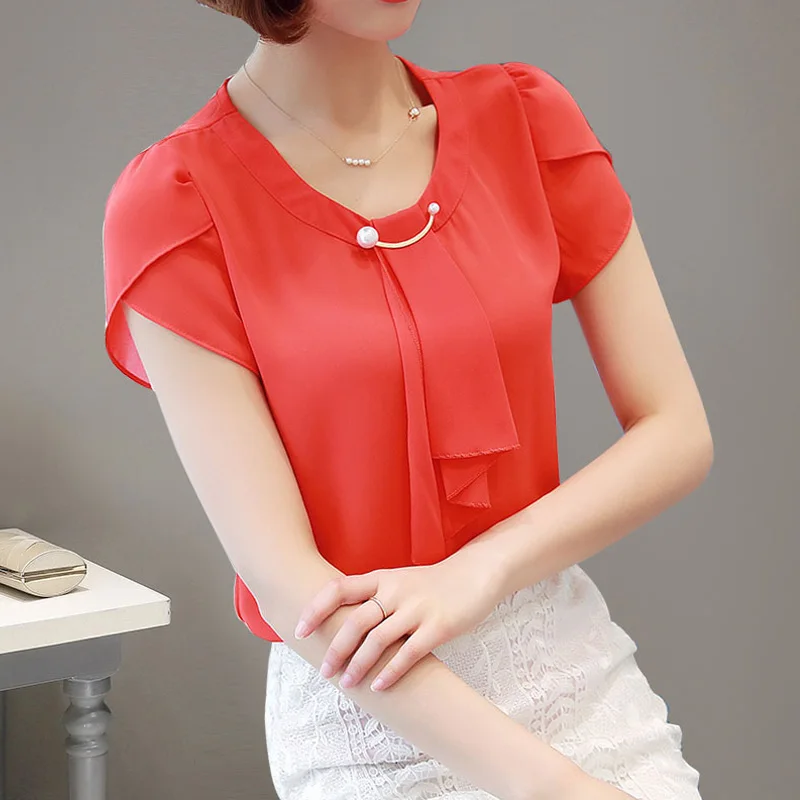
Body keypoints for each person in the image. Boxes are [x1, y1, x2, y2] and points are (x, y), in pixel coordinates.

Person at [101, 1, 713, 799]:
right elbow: (290, 587)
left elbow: (677, 431)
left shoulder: (525, 118)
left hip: (564, 667)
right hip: (369, 702)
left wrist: (481, 569)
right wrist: (560, 791)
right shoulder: (179, 202)